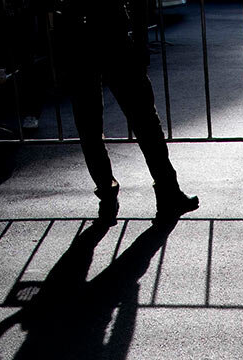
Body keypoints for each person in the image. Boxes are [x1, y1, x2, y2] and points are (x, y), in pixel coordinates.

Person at [59, 0, 199, 221]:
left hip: (79, 36)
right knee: (145, 119)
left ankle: (106, 192)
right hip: (112, 34)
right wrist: (141, 44)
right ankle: (166, 190)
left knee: (89, 124)